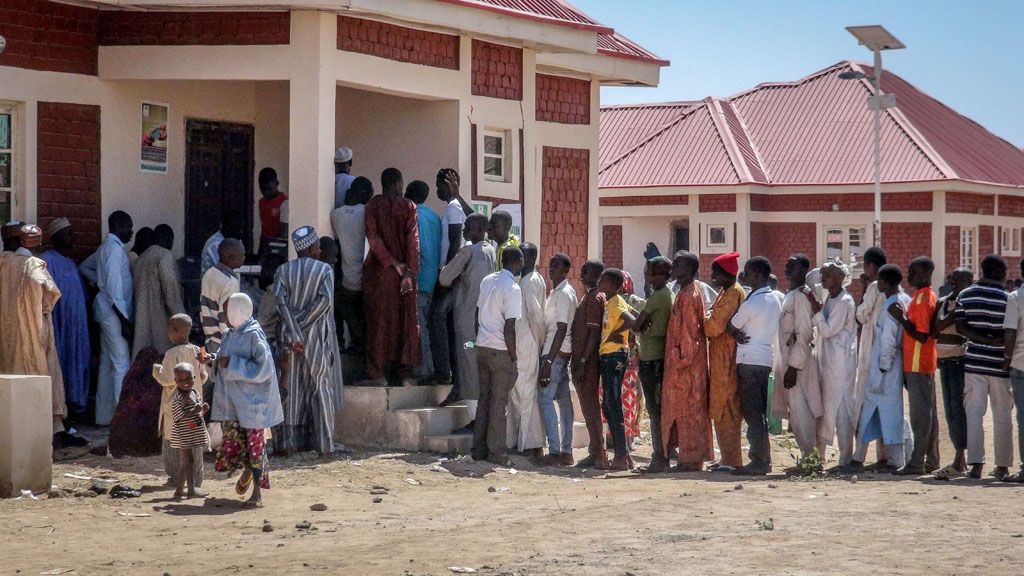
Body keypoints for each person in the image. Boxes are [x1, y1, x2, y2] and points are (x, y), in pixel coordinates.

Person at [273, 226, 344, 455]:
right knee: (320, 388)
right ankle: (325, 446)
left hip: (289, 340)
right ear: (313, 247)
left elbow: (281, 305)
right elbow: (324, 304)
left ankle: (287, 445)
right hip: (315, 339)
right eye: (318, 247)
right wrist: (303, 331)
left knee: (290, 390)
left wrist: (293, 334)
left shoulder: (283, 271)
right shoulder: (324, 270)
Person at [213, 293, 284, 507]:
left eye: (226, 310)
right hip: (232, 403)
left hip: (253, 405)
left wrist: (232, 364)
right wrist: (212, 358)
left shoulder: (255, 336)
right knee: (236, 442)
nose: (223, 315)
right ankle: (245, 472)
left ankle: (257, 494)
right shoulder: (229, 334)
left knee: (255, 448)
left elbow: (263, 369)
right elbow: (223, 355)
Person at [851, 264, 911, 473]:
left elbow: (888, 341)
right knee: (881, 412)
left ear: (884, 282)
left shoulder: (891, 305)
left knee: (887, 413)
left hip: (885, 368)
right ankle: (862, 457)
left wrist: (881, 370)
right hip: (891, 367)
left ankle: (893, 461)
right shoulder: (904, 300)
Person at [957, 254, 1012, 480]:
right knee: (1002, 416)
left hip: (974, 364)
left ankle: (976, 464)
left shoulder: (966, 295)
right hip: (1000, 365)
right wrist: (994, 343)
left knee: (974, 415)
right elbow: (1010, 332)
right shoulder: (1009, 299)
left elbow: (961, 327)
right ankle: (1002, 466)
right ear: (1000, 273)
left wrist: (981, 340)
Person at [0, 244, 66, 435]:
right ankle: (41, 428)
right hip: (32, 328)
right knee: (37, 372)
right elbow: (50, 297)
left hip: (7, 332)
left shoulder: (4, 263)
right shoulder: (33, 265)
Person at [363, 168, 421, 386]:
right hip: (405, 274)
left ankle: (378, 373)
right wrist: (409, 271)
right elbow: (413, 242)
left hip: (380, 273)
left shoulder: (372, 206)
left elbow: (373, 237)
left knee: (379, 323)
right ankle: (405, 374)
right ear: (397, 183)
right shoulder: (408, 206)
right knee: (407, 321)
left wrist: (391, 263)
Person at [437, 213, 495, 426]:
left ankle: (474, 419)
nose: (463, 231)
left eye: (467, 228)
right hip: (484, 321)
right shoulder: (490, 251)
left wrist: (456, 275)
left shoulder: (467, 252)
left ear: (479, 229)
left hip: (466, 320)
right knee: (477, 365)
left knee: (468, 363)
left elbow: (444, 278)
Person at [728, 256, 782, 476]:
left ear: (758, 274)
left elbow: (731, 325)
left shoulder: (753, 302)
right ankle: (764, 459)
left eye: (748, 273)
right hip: (765, 359)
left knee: (752, 414)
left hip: (749, 360)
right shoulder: (775, 298)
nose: (745, 276)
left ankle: (758, 460)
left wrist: (734, 333)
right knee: (759, 413)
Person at [660, 252, 712, 472]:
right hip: (680, 364)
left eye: (678, 265)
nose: (673, 268)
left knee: (690, 410)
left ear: (690, 270)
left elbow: (690, 333)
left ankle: (691, 459)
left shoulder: (689, 295)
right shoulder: (683, 292)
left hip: (686, 367)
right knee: (681, 410)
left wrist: (680, 359)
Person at [472, 245, 523, 466]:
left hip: (482, 346)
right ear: (518, 262)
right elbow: (509, 327)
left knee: (484, 398)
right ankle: (497, 453)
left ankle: (478, 450)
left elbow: (477, 313)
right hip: (501, 350)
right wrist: (514, 357)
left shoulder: (487, 281)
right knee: (498, 404)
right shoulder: (513, 288)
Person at [887, 256, 939, 475]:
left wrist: (900, 318)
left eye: (914, 272)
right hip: (917, 362)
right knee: (928, 413)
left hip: (919, 361)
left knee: (921, 415)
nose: (909, 276)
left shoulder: (924, 299)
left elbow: (922, 335)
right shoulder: (921, 297)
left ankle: (917, 462)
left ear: (926, 274)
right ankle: (932, 460)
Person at [809, 261, 858, 469]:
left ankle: (846, 459)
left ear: (839, 278)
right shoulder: (832, 297)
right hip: (829, 362)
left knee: (841, 410)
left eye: (827, 275)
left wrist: (816, 310)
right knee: (827, 409)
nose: (823, 279)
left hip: (841, 364)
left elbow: (828, 330)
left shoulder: (844, 301)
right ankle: (818, 458)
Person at [153, 314, 210, 490]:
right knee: (195, 443)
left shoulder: (171, 354)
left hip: (176, 408)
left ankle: (175, 478)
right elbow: (204, 376)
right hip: (194, 405)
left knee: (172, 443)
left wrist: (157, 370)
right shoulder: (197, 351)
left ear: (175, 331)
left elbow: (167, 379)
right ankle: (197, 481)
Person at [41, 218, 90, 416]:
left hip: (77, 327)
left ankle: (76, 406)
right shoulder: (47, 260)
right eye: (67, 233)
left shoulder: (71, 263)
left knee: (79, 362)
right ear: (57, 237)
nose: (72, 236)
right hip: (59, 326)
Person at [776, 254, 824, 460]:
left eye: (792, 266)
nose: (788, 269)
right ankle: (808, 457)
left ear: (803, 270)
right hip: (788, 358)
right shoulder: (791, 294)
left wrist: (794, 368)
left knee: (801, 409)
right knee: (794, 411)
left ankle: (811, 459)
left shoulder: (802, 296)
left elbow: (804, 334)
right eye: (787, 265)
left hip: (799, 361)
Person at [703, 251, 746, 472]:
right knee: (719, 406)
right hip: (720, 355)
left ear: (727, 273)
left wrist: (707, 317)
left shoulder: (732, 295)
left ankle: (732, 460)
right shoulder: (725, 292)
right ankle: (726, 458)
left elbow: (713, 326)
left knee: (727, 407)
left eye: (716, 273)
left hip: (726, 357)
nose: (713, 277)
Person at [431, 169, 472, 391]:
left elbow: (454, 243)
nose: (437, 189)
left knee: (437, 317)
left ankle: (443, 371)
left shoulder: (453, 208)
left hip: (451, 275)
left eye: (439, 185)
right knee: (448, 324)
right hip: (454, 274)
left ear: (448, 184)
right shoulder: (456, 207)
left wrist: (446, 275)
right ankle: (453, 373)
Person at [633, 257, 674, 472]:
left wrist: (633, 319)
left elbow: (638, 325)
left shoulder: (658, 297)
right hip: (657, 357)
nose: (646, 276)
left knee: (655, 409)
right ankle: (663, 454)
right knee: (657, 408)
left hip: (652, 359)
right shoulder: (667, 295)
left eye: (649, 272)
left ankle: (660, 457)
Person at [854, 247, 893, 469]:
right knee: (884, 405)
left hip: (871, 353)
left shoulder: (872, 288)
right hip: (886, 354)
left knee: (865, 403)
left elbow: (861, 315)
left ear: (869, 266)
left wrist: (862, 289)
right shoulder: (893, 290)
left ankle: (858, 456)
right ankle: (884, 455)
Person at [506, 242, 546, 461]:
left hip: (528, 343)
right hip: (522, 342)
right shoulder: (528, 280)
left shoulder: (529, 283)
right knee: (518, 392)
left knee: (526, 393)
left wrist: (539, 344)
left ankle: (531, 444)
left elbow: (536, 317)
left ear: (529, 259)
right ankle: (520, 441)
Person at [94, 210, 134, 426]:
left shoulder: (107, 248)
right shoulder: (114, 250)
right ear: (118, 226)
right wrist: (124, 321)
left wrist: (97, 285)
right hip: (113, 314)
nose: (131, 232)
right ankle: (122, 421)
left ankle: (104, 416)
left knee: (108, 364)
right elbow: (113, 289)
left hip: (106, 311)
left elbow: (89, 269)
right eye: (129, 227)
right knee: (121, 363)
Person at [932, 268, 973, 479]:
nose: (954, 283)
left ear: (970, 281)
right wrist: (949, 317)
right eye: (952, 279)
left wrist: (947, 320)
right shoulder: (943, 302)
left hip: (960, 362)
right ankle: (960, 458)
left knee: (959, 409)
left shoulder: (967, 303)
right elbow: (935, 328)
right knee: (949, 410)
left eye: (960, 280)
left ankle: (960, 457)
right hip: (944, 362)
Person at [538, 253, 577, 466]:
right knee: (563, 403)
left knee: (545, 399)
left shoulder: (563, 294)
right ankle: (566, 451)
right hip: (559, 354)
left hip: (556, 354)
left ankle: (555, 450)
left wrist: (549, 362)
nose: (551, 268)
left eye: (556, 266)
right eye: (550, 264)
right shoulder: (556, 292)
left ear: (565, 269)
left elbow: (561, 329)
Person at [597, 267, 637, 471]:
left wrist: (617, 333)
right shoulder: (613, 301)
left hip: (614, 354)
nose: (599, 284)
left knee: (612, 404)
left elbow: (633, 320)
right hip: (611, 354)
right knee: (609, 404)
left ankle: (621, 455)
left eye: (603, 281)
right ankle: (624, 455)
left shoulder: (614, 303)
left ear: (614, 285)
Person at [330, 176, 372, 355]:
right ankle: (361, 340)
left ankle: (350, 340)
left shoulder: (336, 214)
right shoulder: (367, 212)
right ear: (363, 193)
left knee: (341, 302)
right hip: (367, 275)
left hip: (348, 278)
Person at [405, 180, 441, 381]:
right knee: (426, 324)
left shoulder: (411, 215)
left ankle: (423, 370)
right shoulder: (435, 218)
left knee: (419, 326)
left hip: (417, 277)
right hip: (432, 278)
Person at [572, 259, 607, 468]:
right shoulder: (589, 296)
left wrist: (583, 361)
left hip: (588, 363)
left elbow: (594, 333)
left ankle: (598, 452)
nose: (582, 274)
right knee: (588, 408)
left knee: (591, 408)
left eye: (587, 271)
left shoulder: (594, 298)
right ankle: (596, 451)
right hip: (584, 360)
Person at [133, 224, 184, 358]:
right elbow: (170, 287)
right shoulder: (165, 255)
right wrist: (181, 317)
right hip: (163, 323)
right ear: (170, 239)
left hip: (142, 322)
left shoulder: (141, 259)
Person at [168, 362, 210, 499]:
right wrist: (194, 411)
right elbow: (178, 416)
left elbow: (196, 414)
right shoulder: (178, 398)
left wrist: (202, 411)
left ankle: (179, 490)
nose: (185, 383)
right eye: (180, 380)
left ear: (194, 377)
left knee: (186, 462)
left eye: (188, 379)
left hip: (192, 431)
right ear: (175, 381)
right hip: (183, 433)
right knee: (189, 461)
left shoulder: (194, 393)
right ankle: (191, 490)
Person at [201, 239, 243, 357]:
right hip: (224, 341)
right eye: (242, 255)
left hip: (209, 337)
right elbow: (227, 315)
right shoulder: (230, 282)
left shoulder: (209, 274)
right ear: (231, 257)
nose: (244, 258)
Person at [1003, 259, 1024, 483]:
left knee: (1023, 419)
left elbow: (1010, 332)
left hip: (1020, 362)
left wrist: (1006, 359)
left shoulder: (1016, 298)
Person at [200, 210, 244, 278]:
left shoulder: (235, 240)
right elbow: (226, 270)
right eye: (237, 229)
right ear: (226, 227)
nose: (241, 232)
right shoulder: (215, 244)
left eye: (241, 229)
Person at [257, 167, 288, 254]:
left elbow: (284, 233)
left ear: (277, 184)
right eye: (263, 189)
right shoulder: (261, 202)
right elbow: (264, 227)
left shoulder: (284, 203)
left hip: (277, 248)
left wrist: (273, 251)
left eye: (269, 189)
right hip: (264, 245)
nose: (266, 192)